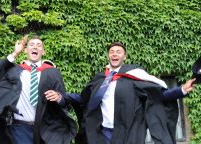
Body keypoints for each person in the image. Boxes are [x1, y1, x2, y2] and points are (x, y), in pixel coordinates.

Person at [68, 42, 196, 144]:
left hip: (128, 132)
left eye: (118, 52)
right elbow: (84, 99)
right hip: (103, 132)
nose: (114, 54)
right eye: (111, 52)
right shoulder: (100, 79)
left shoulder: (134, 76)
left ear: (124, 56)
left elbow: (158, 95)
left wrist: (182, 90)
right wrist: (62, 96)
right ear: (108, 56)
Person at [0, 32, 76, 144]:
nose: (35, 47)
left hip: (46, 129)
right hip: (19, 128)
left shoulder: (52, 73)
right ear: (25, 50)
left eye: (39, 45)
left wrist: (59, 98)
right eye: (31, 44)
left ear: (43, 51)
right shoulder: (14, 71)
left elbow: (65, 103)